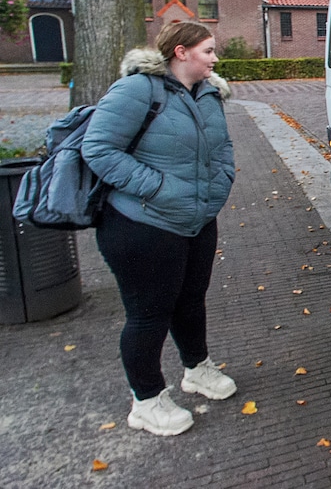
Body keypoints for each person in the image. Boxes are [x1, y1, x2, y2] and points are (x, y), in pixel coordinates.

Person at [81, 22, 237, 437]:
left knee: (190, 300)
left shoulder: (209, 93)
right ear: (181, 52)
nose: (215, 58)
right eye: (208, 51)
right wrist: (158, 187)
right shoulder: (137, 91)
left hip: (197, 221)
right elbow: (97, 148)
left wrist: (221, 184)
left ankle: (196, 370)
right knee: (149, 314)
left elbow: (222, 148)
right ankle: (146, 400)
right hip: (142, 224)